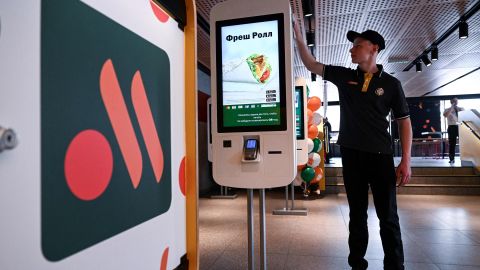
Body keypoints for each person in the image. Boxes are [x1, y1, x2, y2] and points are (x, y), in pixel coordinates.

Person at [294, 21, 412, 270]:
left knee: (387, 217)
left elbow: (404, 123)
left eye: (358, 45)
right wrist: (300, 40)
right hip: (351, 155)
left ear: (374, 49)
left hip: (381, 156)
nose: (352, 50)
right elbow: (311, 64)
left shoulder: (391, 84)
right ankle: (357, 263)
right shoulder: (345, 75)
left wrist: (406, 160)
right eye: (352, 46)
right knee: (356, 215)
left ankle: (395, 265)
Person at [443, 98, 464, 163]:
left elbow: (464, 116)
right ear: (451, 102)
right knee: (452, 144)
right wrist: (451, 108)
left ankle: (465, 157)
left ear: (458, 101)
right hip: (452, 127)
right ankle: (452, 159)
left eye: (456, 100)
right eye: (453, 101)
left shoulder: (461, 108)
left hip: (460, 127)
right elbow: (445, 115)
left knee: (463, 143)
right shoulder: (447, 109)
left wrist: (457, 109)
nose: (455, 102)